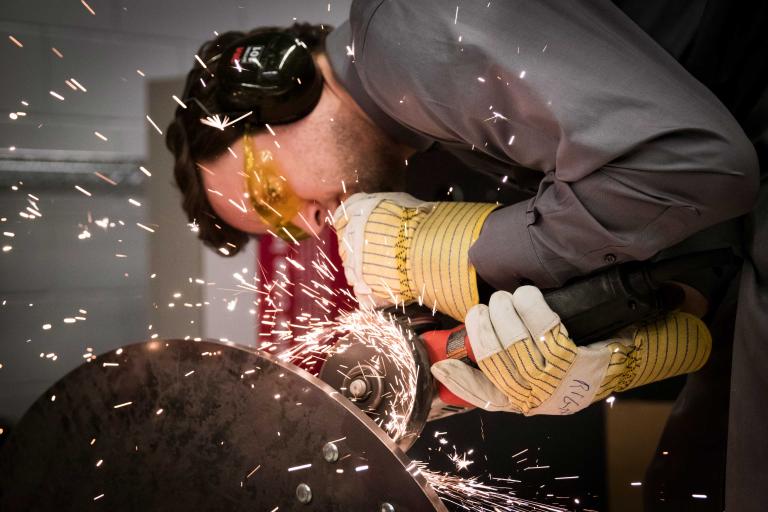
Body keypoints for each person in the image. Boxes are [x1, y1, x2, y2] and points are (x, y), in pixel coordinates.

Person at [165, 2, 765, 510]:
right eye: (283, 227)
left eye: (271, 193)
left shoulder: (402, 36)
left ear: (279, 84)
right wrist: (612, 355)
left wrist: (461, 256)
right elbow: (698, 236)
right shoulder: (429, 130)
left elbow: (698, 163)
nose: (309, 220)